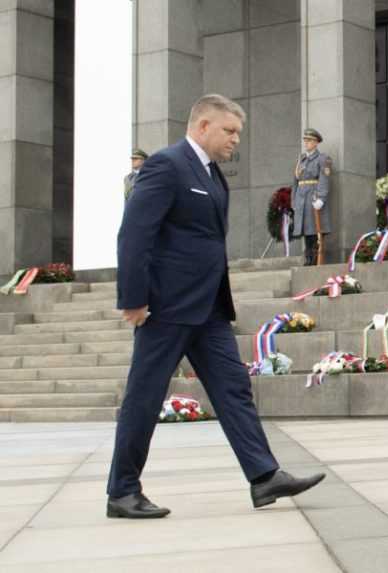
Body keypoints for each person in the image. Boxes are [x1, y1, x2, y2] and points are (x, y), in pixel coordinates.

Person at [110, 94, 324, 519]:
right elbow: (133, 234)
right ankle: (122, 492)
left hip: (208, 308)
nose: (235, 140)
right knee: (145, 396)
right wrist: (132, 298)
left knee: (233, 389)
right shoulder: (166, 166)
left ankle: (264, 477)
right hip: (167, 308)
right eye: (229, 131)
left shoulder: (211, 174)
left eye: (238, 133)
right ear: (203, 126)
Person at [292, 128, 333, 266]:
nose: (306, 143)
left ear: (316, 143)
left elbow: (324, 179)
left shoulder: (322, 159)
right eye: (305, 140)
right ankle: (309, 257)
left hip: (313, 197)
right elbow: (295, 182)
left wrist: (321, 198)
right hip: (302, 199)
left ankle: (313, 258)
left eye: (309, 140)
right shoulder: (301, 159)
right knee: (305, 230)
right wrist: (294, 201)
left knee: (314, 230)